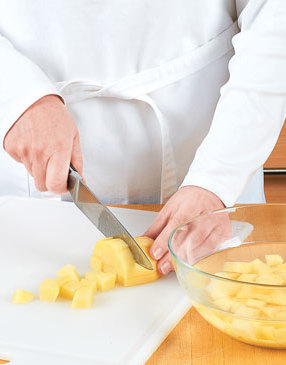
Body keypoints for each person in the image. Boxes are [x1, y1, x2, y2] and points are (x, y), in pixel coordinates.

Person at [1, 1, 285, 275]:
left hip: (213, 149)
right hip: (26, 178)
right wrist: (14, 94)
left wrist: (217, 179)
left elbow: (275, 18)